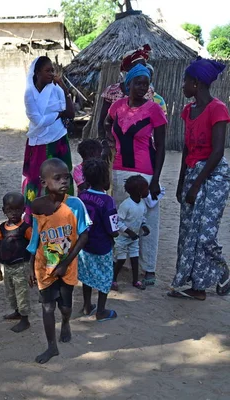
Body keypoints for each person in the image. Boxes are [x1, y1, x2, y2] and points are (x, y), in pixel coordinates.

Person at [169, 58, 230, 301]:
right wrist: (182, 182)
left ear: (196, 83)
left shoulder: (218, 109)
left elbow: (217, 152)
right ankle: (196, 286)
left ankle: (223, 270)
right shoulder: (188, 111)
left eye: (185, 81)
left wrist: (195, 185)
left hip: (213, 176)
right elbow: (186, 148)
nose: (182, 85)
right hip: (194, 172)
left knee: (204, 234)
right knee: (187, 232)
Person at [104, 63, 166, 287]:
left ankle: (149, 268)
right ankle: (123, 263)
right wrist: (108, 141)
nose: (142, 87)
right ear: (128, 84)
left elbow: (161, 146)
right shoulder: (117, 106)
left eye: (146, 84)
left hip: (145, 174)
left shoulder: (154, 110)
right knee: (122, 220)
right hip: (119, 171)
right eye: (138, 83)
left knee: (147, 221)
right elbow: (107, 122)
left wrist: (156, 180)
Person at [27, 158, 90, 364]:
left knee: (65, 305)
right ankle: (51, 347)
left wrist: (66, 262)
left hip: (67, 265)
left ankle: (65, 322)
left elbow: (84, 235)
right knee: (47, 307)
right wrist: (30, 265)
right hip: (44, 266)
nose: (64, 181)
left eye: (66, 177)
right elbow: (36, 236)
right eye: (58, 178)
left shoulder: (75, 205)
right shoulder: (37, 206)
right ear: (44, 182)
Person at [23, 56, 75, 222]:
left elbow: (70, 113)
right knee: (37, 178)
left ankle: (64, 214)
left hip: (59, 140)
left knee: (62, 176)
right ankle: (35, 218)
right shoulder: (29, 93)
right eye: (48, 70)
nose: (52, 73)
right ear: (37, 73)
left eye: (53, 70)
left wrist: (64, 90)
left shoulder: (57, 89)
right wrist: (58, 113)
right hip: (38, 143)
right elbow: (37, 120)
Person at [77, 158, 119, 321]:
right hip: (102, 247)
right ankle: (101, 310)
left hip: (85, 245)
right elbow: (113, 229)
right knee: (105, 276)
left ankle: (87, 306)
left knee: (87, 275)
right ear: (104, 179)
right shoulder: (107, 201)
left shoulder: (82, 196)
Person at [0, 192, 32, 332]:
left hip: (21, 265)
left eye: (17, 209)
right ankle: (17, 312)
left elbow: (33, 245)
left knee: (22, 292)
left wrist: (32, 267)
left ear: (23, 209)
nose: (14, 213)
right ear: (4, 210)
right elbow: (0, 245)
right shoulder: (3, 228)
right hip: (7, 266)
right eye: (10, 210)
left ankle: (25, 319)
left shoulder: (25, 228)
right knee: (10, 291)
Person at [112, 175, 150, 291]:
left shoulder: (142, 203)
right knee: (121, 259)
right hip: (123, 238)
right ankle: (113, 279)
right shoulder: (126, 205)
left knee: (135, 258)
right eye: (145, 189)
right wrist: (128, 231)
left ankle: (135, 280)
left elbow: (142, 217)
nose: (148, 191)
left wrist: (144, 226)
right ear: (138, 191)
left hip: (134, 237)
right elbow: (117, 221)